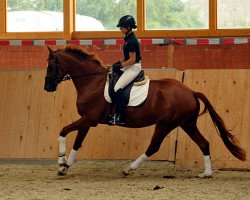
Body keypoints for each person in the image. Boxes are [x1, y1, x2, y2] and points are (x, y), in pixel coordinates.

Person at [108, 15, 142, 125]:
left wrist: (121, 66)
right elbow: (126, 57)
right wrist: (116, 64)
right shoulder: (127, 38)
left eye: (121, 27)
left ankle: (120, 116)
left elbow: (132, 59)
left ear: (127, 27)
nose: (120, 29)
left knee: (118, 87)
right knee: (111, 75)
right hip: (128, 66)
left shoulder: (132, 40)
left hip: (133, 68)